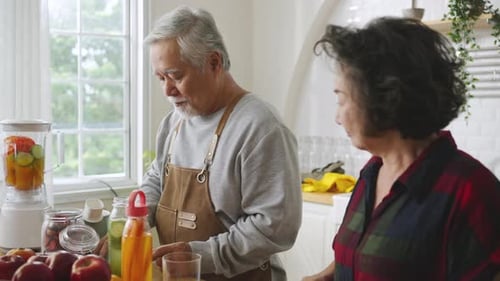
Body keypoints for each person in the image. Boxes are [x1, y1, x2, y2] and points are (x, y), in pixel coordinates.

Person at [303, 17, 500, 281]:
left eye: (341, 99)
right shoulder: (372, 173)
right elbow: (364, 258)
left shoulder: (471, 190)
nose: (337, 118)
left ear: (384, 96)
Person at [141, 5, 301, 281]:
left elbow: (274, 227)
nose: (167, 90)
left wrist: (200, 255)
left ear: (214, 63)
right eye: (161, 78)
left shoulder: (260, 126)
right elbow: (157, 177)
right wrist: (137, 217)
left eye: (176, 76)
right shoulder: (174, 123)